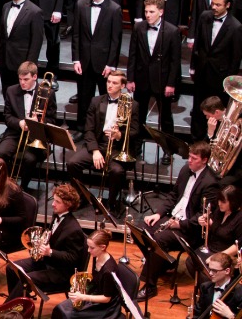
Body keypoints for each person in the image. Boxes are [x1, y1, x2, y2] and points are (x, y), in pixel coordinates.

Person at [136, 142, 220, 299]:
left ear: (205, 160)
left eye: (194, 158)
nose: (189, 160)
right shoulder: (185, 170)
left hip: (189, 230)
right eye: (189, 156)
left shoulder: (211, 183)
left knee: (158, 239)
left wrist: (179, 224)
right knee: (141, 230)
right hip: (173, 218)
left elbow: (202, 216)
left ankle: (150, 286)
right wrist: (159, 214)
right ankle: (165, 262)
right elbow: (173, 196)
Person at [65, 71, 138, 213]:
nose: (110, 85)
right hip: (98, 144)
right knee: (72, 163)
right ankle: (82, 197)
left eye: (114, 83)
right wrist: (95, 150)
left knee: (117, 171)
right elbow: (89, 129)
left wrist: (119, 135)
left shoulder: (132, 105)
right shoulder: (96, 101)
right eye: (108, 81)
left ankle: (112, 203)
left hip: (117, 147)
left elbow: (135, 131)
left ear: (123, 86)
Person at [6, 184, 89, 299]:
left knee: (26, 278)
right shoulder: (57, 215)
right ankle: (20, 302)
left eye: (57, 202)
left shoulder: (74, 230)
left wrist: (50, 252)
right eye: (54, 200)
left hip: (60, 272)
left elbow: (73, 258)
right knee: (12, 269)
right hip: (47, 262)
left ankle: (8, 309)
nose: (53, 204)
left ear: (68, 205)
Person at [127, 0, 181, 162]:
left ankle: (168, 151)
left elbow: (175, 61)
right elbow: (133, 55)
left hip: (162, 81)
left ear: (161, 12)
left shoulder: (172, 31)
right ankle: (136, 147)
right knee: (139, 116)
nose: (148, 15)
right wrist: (130, 79)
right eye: (146, 11)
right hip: (142, 79)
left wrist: (171, 83)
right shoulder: (139, 27)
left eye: (151, 12)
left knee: (165, 118)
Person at [72, 0, 123, 130]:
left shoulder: (114, 9)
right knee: (84, 97)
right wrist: (76, 59)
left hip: (103, 63)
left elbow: (116, 40)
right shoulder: (81, 5)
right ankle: (82, 128)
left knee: (105, 98)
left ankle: (103, 129)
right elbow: (76, 34)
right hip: (85, 60)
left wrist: (111, 64)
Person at [0, 61, 56, 186]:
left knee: (29, 159)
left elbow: (52, 120)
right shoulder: (11, 91)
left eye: (26, 79)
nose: (22, 82)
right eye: (20, 79)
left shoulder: (47, 93)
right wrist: (19, 123)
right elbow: (7, 117)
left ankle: (22, 188)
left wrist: (38, 122)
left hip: (36, 136)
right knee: (0, 154)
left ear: (34, 77)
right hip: (15, 133)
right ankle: (3, 185)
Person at [191, 0, 242, 140]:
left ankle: (214, 141)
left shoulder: (235, 26)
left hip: (219, 77)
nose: (214, 7)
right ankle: (196, 142)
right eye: (213, 3)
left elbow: (236, 57)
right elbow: (198, 44)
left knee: (216, 112)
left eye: (218, 5)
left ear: (228, 5)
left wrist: (228, 83)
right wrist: (193, 66)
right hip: (202, 72)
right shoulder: (204, 17)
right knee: (198, 110)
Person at [50, 230, 124, 319]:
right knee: (59, 308)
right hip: (94, 294)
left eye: (92, 248)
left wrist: (83, 297)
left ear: (103, 247)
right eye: (88, 247)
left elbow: (106, 298)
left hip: (105, 307)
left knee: (67, 315)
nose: (88, 251)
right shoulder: (96, 256)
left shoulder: (108, 270)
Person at [0, 0, 44, 90]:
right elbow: (1, 33)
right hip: (4, 59)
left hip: (21, 62)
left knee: (22, 97)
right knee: (7, 94)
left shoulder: (35, 12)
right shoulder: (6, 7)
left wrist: (29, 66)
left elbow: (36, 42)